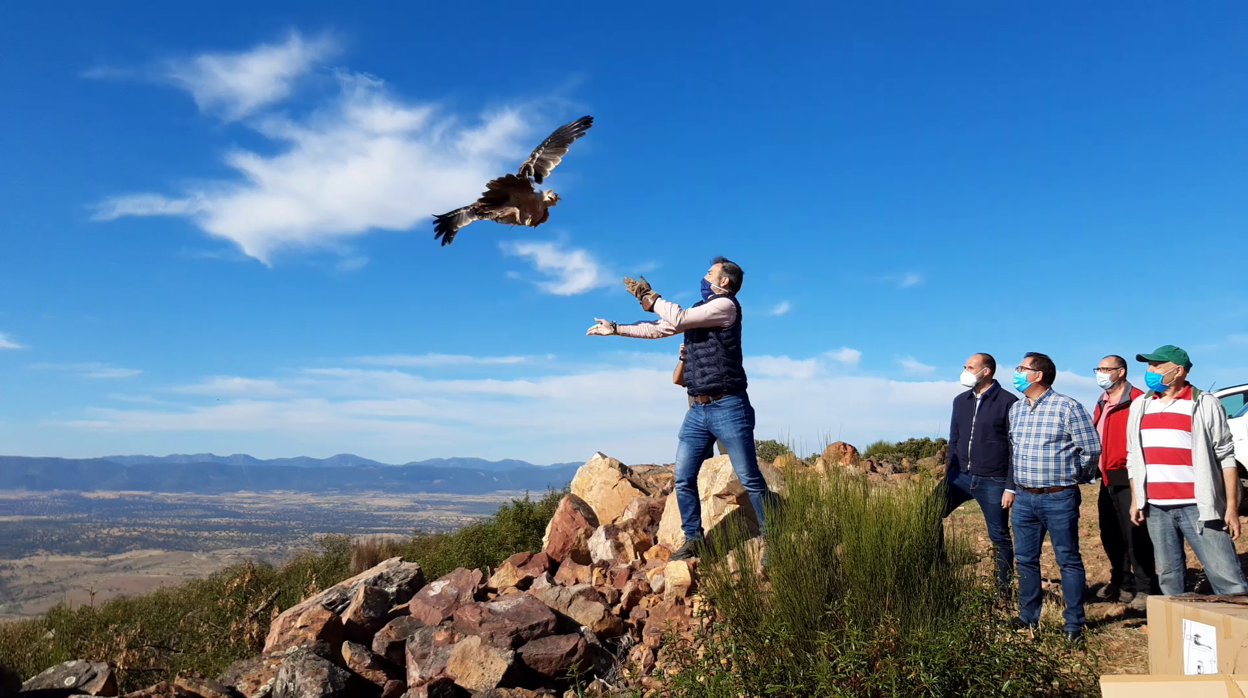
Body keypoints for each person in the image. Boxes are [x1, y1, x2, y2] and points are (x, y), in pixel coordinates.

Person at [588, 257, 773, 561]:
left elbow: (678, 317)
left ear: (725, 281)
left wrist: (651, 297)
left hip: (729, 405)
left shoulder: (726, 306)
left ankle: (773, 535)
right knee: (684, 477)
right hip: (698, 410)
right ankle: (694, 538)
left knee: (750, 477)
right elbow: (660, 328)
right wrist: (617, 328)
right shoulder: (698, 312)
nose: (704, 276)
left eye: (710, 273)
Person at [1127, 345, 1247, 596]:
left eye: (1156, 365)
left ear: (1178, 370)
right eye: (1149, 365)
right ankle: (1176, 631)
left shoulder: (1205, 403)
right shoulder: (1140, 405)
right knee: (1170, 579)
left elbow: (1226, 457)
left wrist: (1232, 509)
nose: (1150, 371)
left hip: (1199, 507)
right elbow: (1133, 457)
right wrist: (1137, 499)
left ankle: (1238, 630)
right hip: (1156, 508)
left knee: (1226, 578)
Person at [1008, 352, 1101, 643]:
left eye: (1023, 368)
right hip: (1024, 497)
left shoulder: (1068, 407)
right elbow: (1014, 449)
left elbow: (1091, 449)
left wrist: (1078, 477)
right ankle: (1028, 617)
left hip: (1059, 497)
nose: (1017, 372)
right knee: (1025, 559)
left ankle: (1074, 624)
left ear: (1039, 375)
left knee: (1068, 560)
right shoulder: (1017, 409)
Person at [943, 352, 1018, 599]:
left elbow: (1013, 447)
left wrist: (1010, 485)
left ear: (986, 371)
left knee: (999, 536)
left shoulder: (1009, 401)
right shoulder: (960, 400)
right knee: (926, 513)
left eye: (970, 367)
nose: (965, 371)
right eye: (965, 366)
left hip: (993, 480)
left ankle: (1003, 591)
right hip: (959, 477)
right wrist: (949, 473)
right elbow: (954, 439)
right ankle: (938, 570)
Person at [1092, 355, 1157, 611]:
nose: (1100, 373)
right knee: (1110, 533)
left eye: (1105, 369)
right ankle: (1121, 582)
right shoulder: (1102, 401)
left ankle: (1146, 587)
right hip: (1105, 477)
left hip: (1128, 476)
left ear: (1121, 372)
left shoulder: (1139, 400)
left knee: (1135, 534)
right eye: (1098, 368)